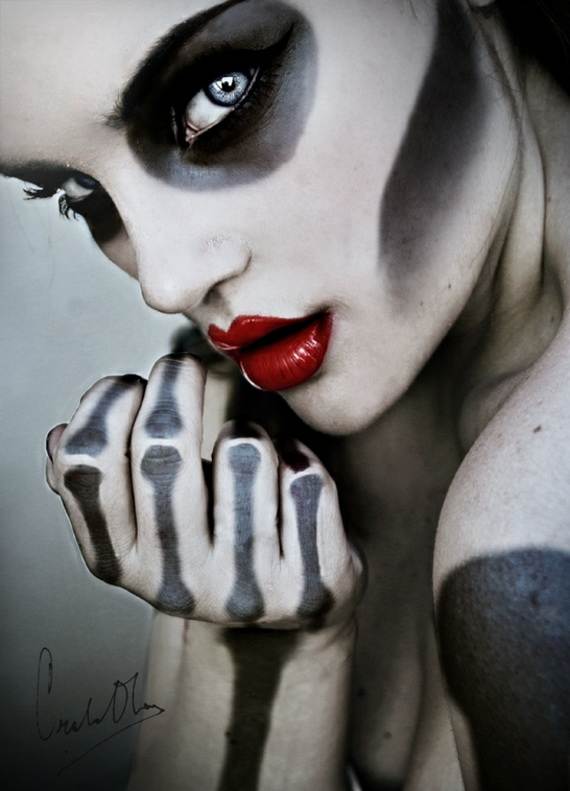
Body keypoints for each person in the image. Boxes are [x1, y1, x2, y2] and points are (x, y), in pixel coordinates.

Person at [1, 0, 569, 788]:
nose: (167, 281)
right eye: (79, 191)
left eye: (220, 91)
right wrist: (267, 646)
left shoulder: (532, 560)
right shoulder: (255, 436)